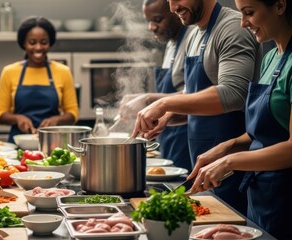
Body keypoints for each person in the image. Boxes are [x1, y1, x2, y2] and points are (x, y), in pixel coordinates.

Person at [132, 0, 263, 215]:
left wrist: (165, 103)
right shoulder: (194, 33)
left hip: (230, 167)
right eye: (169, 1)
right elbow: (193, 93)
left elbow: (234, 93)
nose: (173, 7)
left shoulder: (231, 27)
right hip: (203, 164)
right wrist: (170, 115)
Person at [187, 0, 292, 238]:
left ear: (280, 6)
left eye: (249, 13)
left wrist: (229, 162)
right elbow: (264, 132)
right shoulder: (271, 57)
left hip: (286, 198)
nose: (243, 23)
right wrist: (227, 147)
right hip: (260, 195)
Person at [119, 0, 193, 171]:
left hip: (185, 138)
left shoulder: (191, 39)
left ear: (176, 12)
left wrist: (147, 99)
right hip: (167, 137)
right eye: (149, 21)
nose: (151, 27)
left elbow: (193, 94)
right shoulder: (170, 44)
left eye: (158, 20)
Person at [0, 16, 79, 143]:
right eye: (32, 42)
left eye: (43, 42)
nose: (38, 48)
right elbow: (0, 115)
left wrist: (56, 120)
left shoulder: (63, 71)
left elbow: (73, 114)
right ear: (24, 43)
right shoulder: (9, 72)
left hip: (53, 143)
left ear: (50, 43)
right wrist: (18, 119)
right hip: (18, 144)